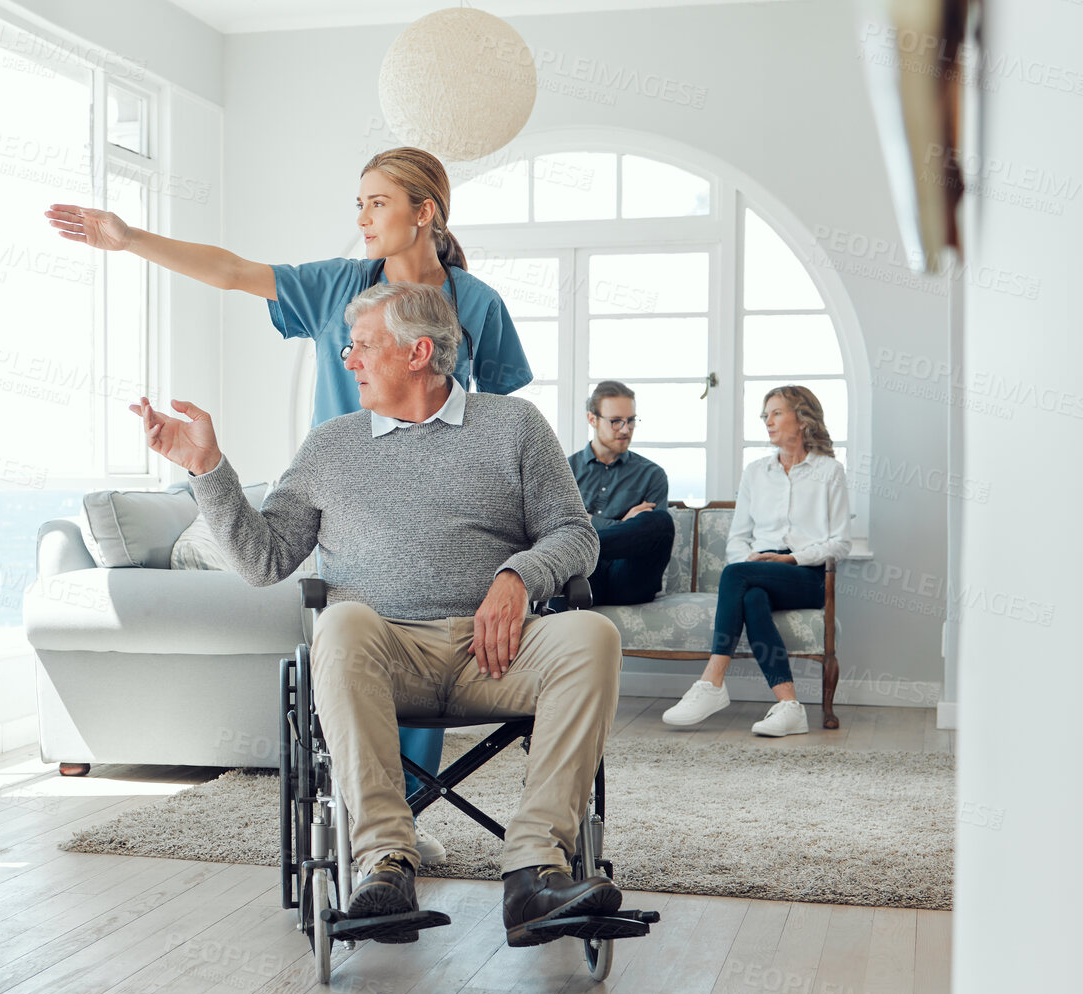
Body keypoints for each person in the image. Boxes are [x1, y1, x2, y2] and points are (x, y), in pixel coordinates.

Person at [47, 148, 534, 856]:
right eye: (358, 204)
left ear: (424, 212)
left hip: (440, 504)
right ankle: (376, 817)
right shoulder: (338, 287)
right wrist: (129, 239)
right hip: (350, 501)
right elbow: (233, 270)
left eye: (377, 203)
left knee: (427, 629)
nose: (362, 218)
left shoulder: (478, 304)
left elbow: (501, 419)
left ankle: (400, 818)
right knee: (365, 626)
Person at [129, 283, 624, 948]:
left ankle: (535, 871)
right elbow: (263, 561)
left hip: (498, 652)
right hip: (384, 656)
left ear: (418, 352)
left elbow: (576, 536)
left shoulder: (515, 427)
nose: (349, 359)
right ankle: (386, 863)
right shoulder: (332, 445)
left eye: (362, 345)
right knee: (341, 619)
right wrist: (206, 469)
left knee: (592, 634)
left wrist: (517, 575)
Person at [662, 385, 851, 736]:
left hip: (806, 575)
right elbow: (737, 538)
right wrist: (753, 562)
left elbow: (840, 543)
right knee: (750, 594)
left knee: (737, 577)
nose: (769, 421)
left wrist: (791, 559)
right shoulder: (755, 472)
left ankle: (712, 682)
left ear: (802, 416)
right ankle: (789, 706)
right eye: (765, 415)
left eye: (777, 412)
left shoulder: (829, 471)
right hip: (757, 570)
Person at [567, 380, 676, 607]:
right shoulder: (566, 470)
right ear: (592, 419)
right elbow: (558, 529)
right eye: (616, 421)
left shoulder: (652, 474)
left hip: (628, 578)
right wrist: (622, 524)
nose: (626, 429)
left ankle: (583, 546)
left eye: (631, 421)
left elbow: (648, 538)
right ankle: (582, 551)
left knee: (660, 521)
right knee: (569, 563)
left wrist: (589, 522)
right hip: (583, 576)